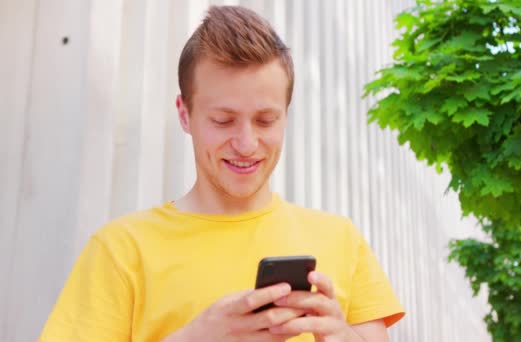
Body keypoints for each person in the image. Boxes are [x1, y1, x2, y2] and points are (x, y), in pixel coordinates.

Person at [40, 5, 404, 342]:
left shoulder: (341, 240)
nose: (246, 144)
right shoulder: (120, 250)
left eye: (265, 120)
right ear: (185, 114)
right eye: (223, 120)